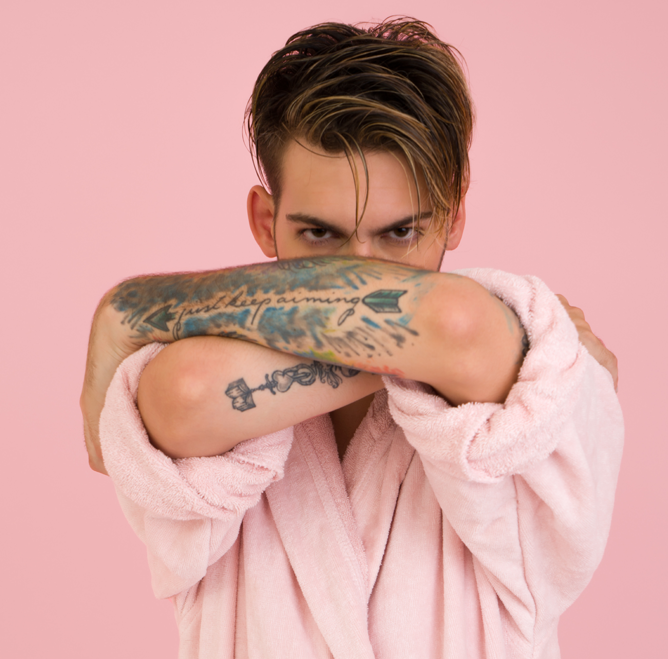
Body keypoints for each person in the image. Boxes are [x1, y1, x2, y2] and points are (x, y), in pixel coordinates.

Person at [81, 18, 623, 658]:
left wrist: (139, 310)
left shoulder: (535, 382)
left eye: (399, 233)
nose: (360, 272)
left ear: (454, 213)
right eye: (320, 235)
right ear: (265, 221)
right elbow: (189, 394)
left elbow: (455, 327)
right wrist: (422, 353)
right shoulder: (522, 356)